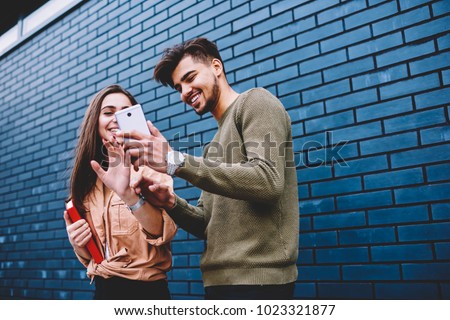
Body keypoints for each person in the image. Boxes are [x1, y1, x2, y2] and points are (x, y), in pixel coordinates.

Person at [119, 37, 299, 299]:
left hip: (260, 283)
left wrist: (176, 161)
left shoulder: (255, 102)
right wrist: (170, 202)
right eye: (179, 87)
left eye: (190, 77)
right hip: (218, 283)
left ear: (216, 66)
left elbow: (268, 181)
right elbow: (206, 224)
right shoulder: (212, 147)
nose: (185, 91)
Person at [63, 84, 177, 300]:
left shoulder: (150, 167)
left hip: (145, 293)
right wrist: (78, 243)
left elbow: (162, 231)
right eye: (108, 112)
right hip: (102, 291)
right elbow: (94, 255)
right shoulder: (88, 179)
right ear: (95, 121)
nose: (116, 118)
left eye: (125, 112)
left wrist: (128, 195)